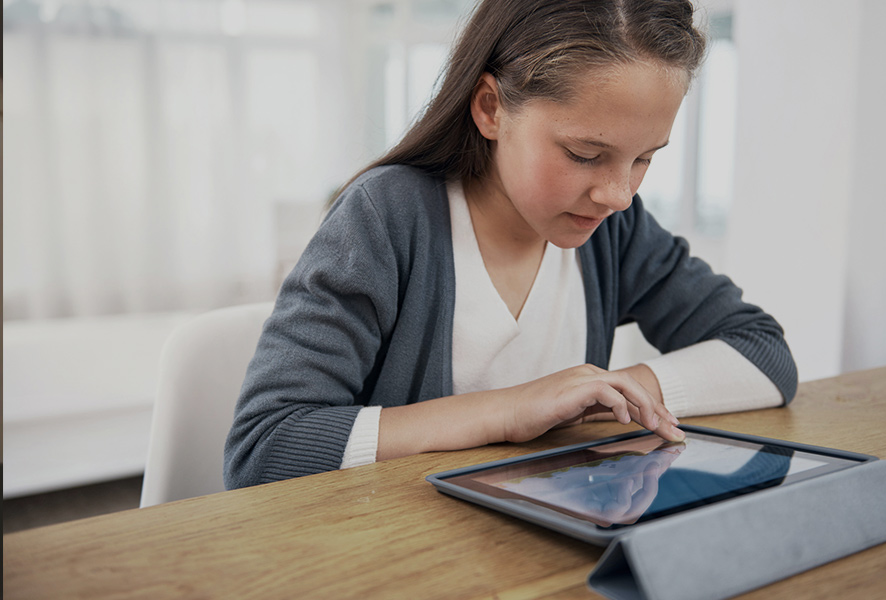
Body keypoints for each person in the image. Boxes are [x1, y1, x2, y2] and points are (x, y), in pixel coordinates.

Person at [224, 0, 797, 490]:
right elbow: (266, 447)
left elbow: (764, 353)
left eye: (645, 157)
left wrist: (617, 393)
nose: (619, 193)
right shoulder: (388, 217)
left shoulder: (614, 230)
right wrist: (509, 409)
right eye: (584, 154)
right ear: (491, 109)